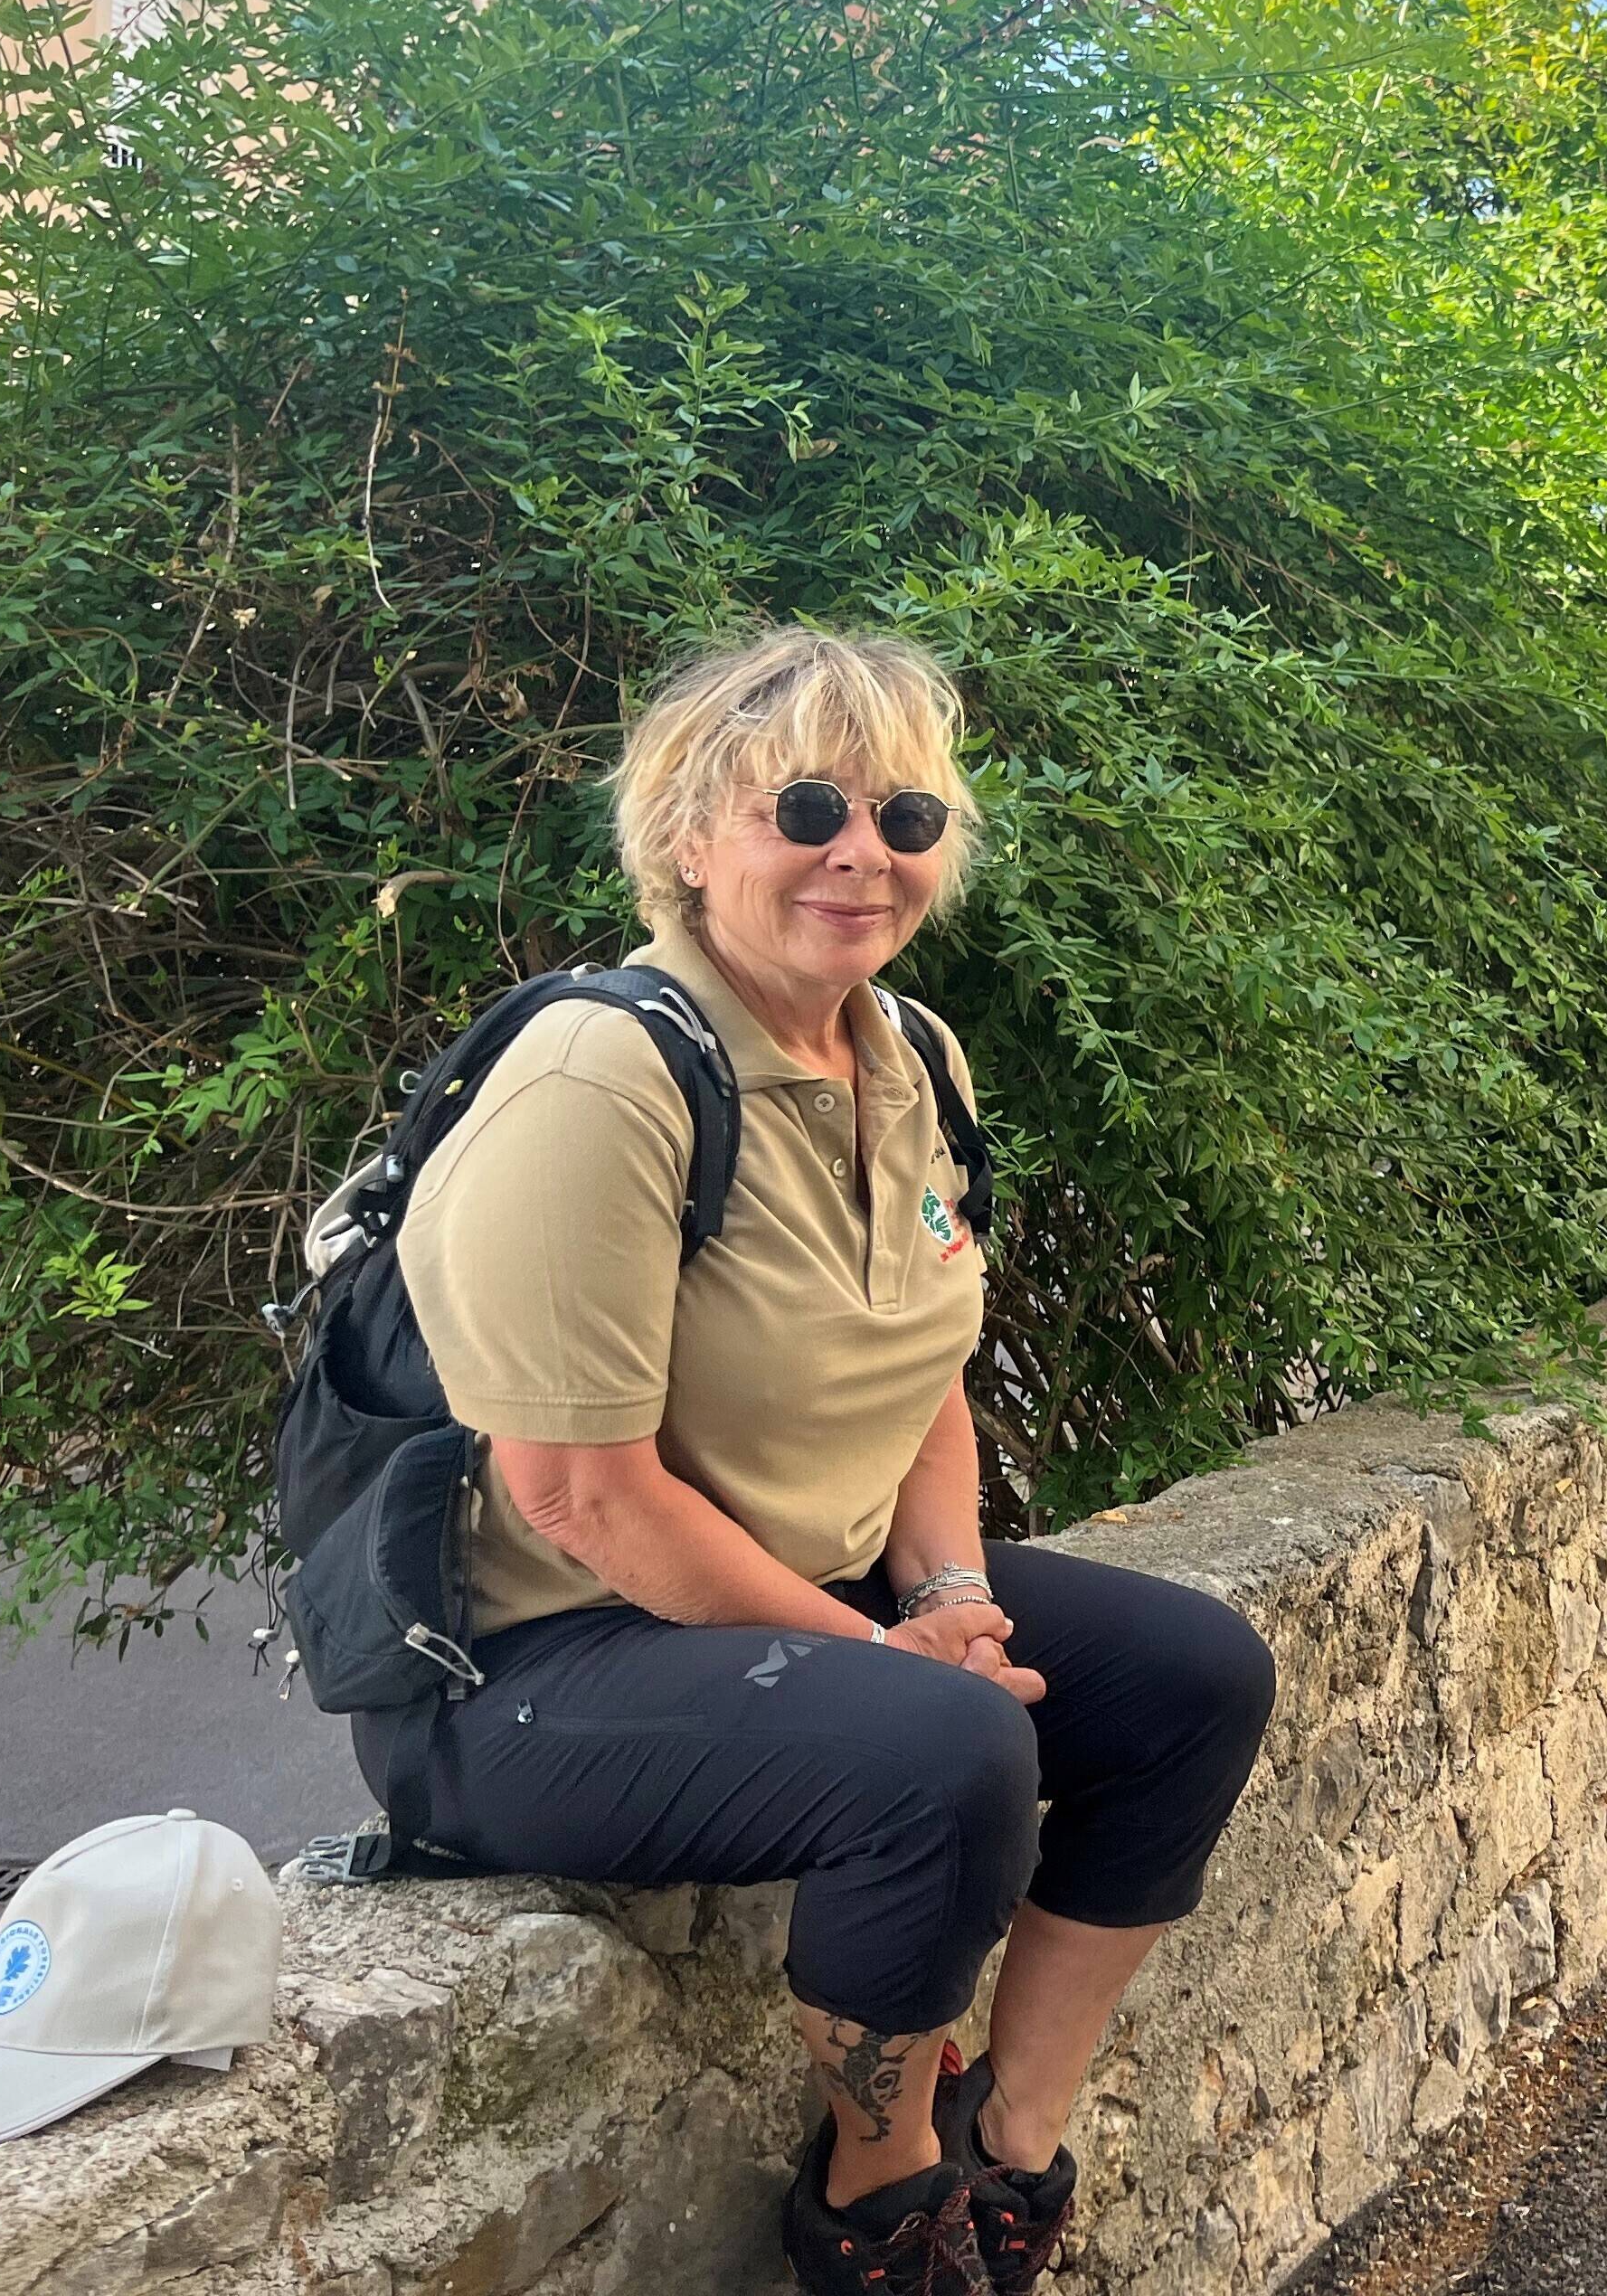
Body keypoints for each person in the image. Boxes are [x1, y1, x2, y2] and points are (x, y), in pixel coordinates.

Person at [361, 627, 1278, 2296]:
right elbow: (576, 1494)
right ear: (687, 835)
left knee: (1194, 1679)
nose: (863, 850)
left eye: (906, 817)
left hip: (797, 1596)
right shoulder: (600, 1078)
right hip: (535, 1665)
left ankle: (1013, 2138)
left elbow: (920, 1367)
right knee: (944, 1752)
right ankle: (883, 2198)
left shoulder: (908, 1055)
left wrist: (949, 1593)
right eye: (805, 808)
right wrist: (881, 1654)